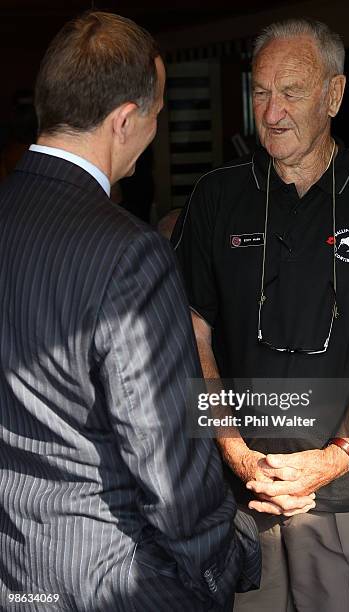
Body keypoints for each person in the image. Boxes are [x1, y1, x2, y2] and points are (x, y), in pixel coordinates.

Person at [172, 17, 349, 612]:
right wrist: (232, 445)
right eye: (260, 92)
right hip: (242, 484)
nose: (271, 112)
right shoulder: (217, 196)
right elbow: (193, 332)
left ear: (334, 95)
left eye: (290, 92)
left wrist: (334, 455)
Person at [0, 12, 261, 611]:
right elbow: (169, 469)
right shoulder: (130, 253)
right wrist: (230, 560)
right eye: (157, 111)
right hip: (113, 581)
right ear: (124, 121)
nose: (157, 126)